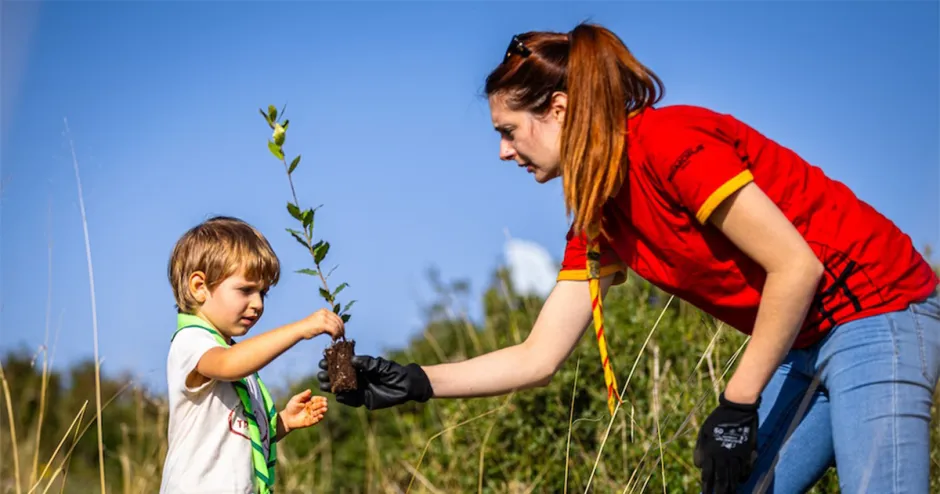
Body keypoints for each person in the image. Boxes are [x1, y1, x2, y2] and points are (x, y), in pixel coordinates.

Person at [316, 23, 940, 494]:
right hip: (802, 343)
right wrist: (416, 382)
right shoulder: (597, 216)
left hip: (879, 312)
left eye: (508, 132)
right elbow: (537, 357)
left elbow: (796, 267)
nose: (504, 153)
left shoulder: (670, 143)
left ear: (557, 111)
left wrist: (737, 404)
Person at [160, 216, 344, 494]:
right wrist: (300, 329)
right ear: (199, 287)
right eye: (245, 290)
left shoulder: (236, 359)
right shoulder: (192, 342)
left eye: (263, 294)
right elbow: (228, 364)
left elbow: (239, 434)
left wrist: (282, 423)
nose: (257, 304)